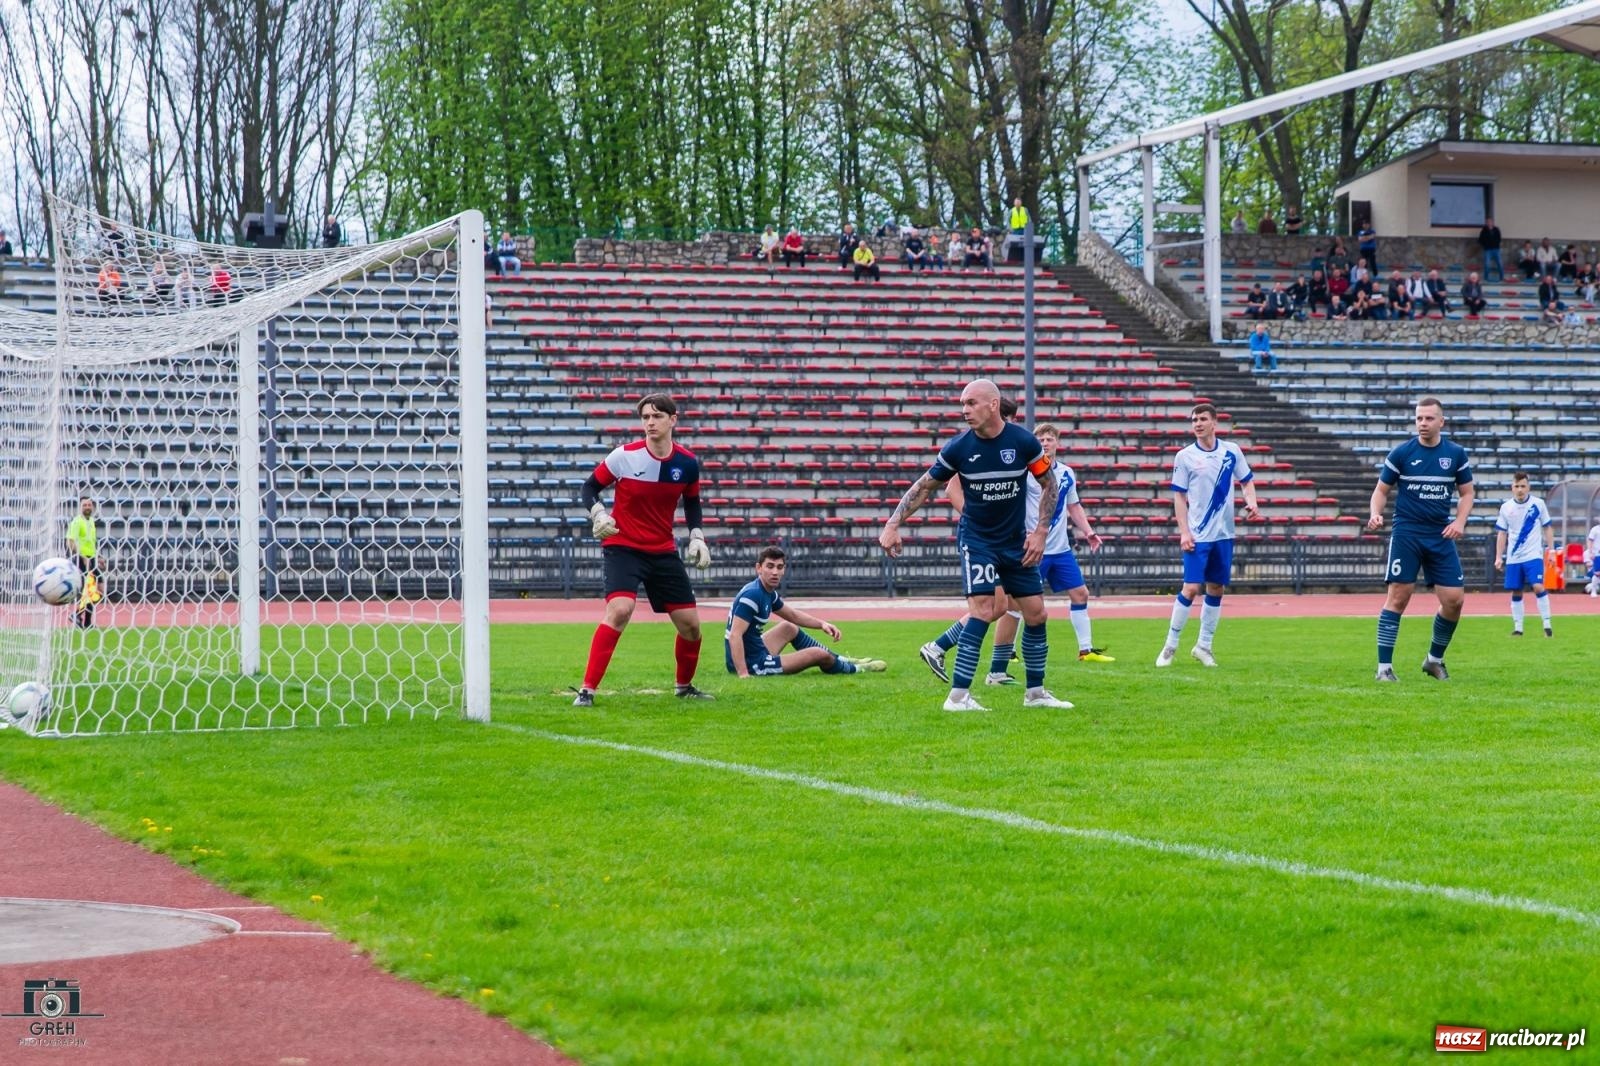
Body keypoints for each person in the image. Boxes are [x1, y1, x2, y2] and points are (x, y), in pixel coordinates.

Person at [881, 379, 1073, 712]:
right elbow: (926, 486)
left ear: (993, 404)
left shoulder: (1024, 442)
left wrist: (1041, 532)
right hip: (978, 541)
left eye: (971, 403)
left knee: (1037, 614)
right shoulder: (958, 448)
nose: (965, 410)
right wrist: (893, 523)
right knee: (984, 610)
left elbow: (1049, 484)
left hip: (1017, 542)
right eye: (963, 404)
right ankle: (957, 697)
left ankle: (1036, 693)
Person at [573, 393, 713, 706]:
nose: (650, 422)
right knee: (620, 610)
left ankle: (684, 688)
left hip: (662, 549)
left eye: (657, 416)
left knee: (691, 626)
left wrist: (698, 536)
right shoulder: (624, 456)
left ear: (673, 419)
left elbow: (692, 502)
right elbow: (588, 488)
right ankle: (587, 691)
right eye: (645, 417)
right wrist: (598, 513)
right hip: (623, 546)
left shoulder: (687, 464)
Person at [1366, 396, 1473, 682]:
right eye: (1418, 418)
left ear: (1441, 421)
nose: (1422, 423)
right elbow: (1380, 490)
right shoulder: (1402, 453)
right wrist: (1376, 513)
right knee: (1399, 596)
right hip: (1407, 533)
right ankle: (1384, 669)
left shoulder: (1455, 454)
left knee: (1454, 600)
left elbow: (1467, 493)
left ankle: (1433, 660)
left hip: (1440, 534)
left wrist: (1460, 522)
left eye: (1428, 418)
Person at [1156, 403, 1259, 668]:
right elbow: (1179, 496)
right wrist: (1184, 532)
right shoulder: (1185, 456)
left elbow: (1246, 480)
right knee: (1190, 588)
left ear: (1214, 422)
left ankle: (1204, 646)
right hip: (1197, 535)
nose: (1197, 423)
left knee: (1216, 588)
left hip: (1223, 534)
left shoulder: (1231, 451)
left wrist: (1252, 501)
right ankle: (1170, 646)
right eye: (1194, 420)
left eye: (1202, 419)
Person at [725, 547, 886, 677]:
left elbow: (793, 616)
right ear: (759, 568)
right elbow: (734, 635)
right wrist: (743, 673)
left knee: (789, 626)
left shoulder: (766, 591)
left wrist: (822, 624)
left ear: (784, 570)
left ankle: (844, 659)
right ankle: (859, 669)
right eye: (770, 566)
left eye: (779, 567)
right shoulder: (753, 595)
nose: (775, 572)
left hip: (754, 650)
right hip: (751, 662)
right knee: (818, 654)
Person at [1029, 423, 1113, 662]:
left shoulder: (1066, 473)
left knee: (1080, 593)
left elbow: (1073, 506)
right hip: (1035, 548)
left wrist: (1088, 532)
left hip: (1060, 549)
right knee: (1021, 601)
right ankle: (1009, 652)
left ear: (1057, 443)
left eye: (1049, 439)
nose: (1045, 443)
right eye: (1041, 440)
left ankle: (1085, 651)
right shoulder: (1027, 473)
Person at [1493, 472, 1554, 638]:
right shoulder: (1506, 507)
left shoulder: (1538, 504)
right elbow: (1502, 533)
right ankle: (1518, 628)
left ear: (1528, 487)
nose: (1520, 489)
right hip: (1514, 557)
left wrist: (1552, 551)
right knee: (1516, 590)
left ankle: (1547, 625)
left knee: (1537, 586)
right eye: (1517, 486)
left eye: (1523, 486)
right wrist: (1499, 556)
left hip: (1533, 554)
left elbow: (1547, 527)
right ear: (1512, 488)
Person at [67, 495, 102, 629]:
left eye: (89, 505)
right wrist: (82, 557)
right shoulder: (77, 522)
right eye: (84, 505)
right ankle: (79, 616)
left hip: (91, 558)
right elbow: (70, 542)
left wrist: (98, 557)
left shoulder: (91, 521)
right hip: (81, 559)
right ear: (80, 507)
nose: (87, 507)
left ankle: (85, 621)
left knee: (98, 590)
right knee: (90, 590)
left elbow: (92, 541)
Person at [1585, 518, 1600, 596]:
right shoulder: (1595, 530)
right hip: (1597, 554)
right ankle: (1593, 591)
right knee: (1597, 573)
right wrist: (1590, 552)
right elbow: (1590, 541)